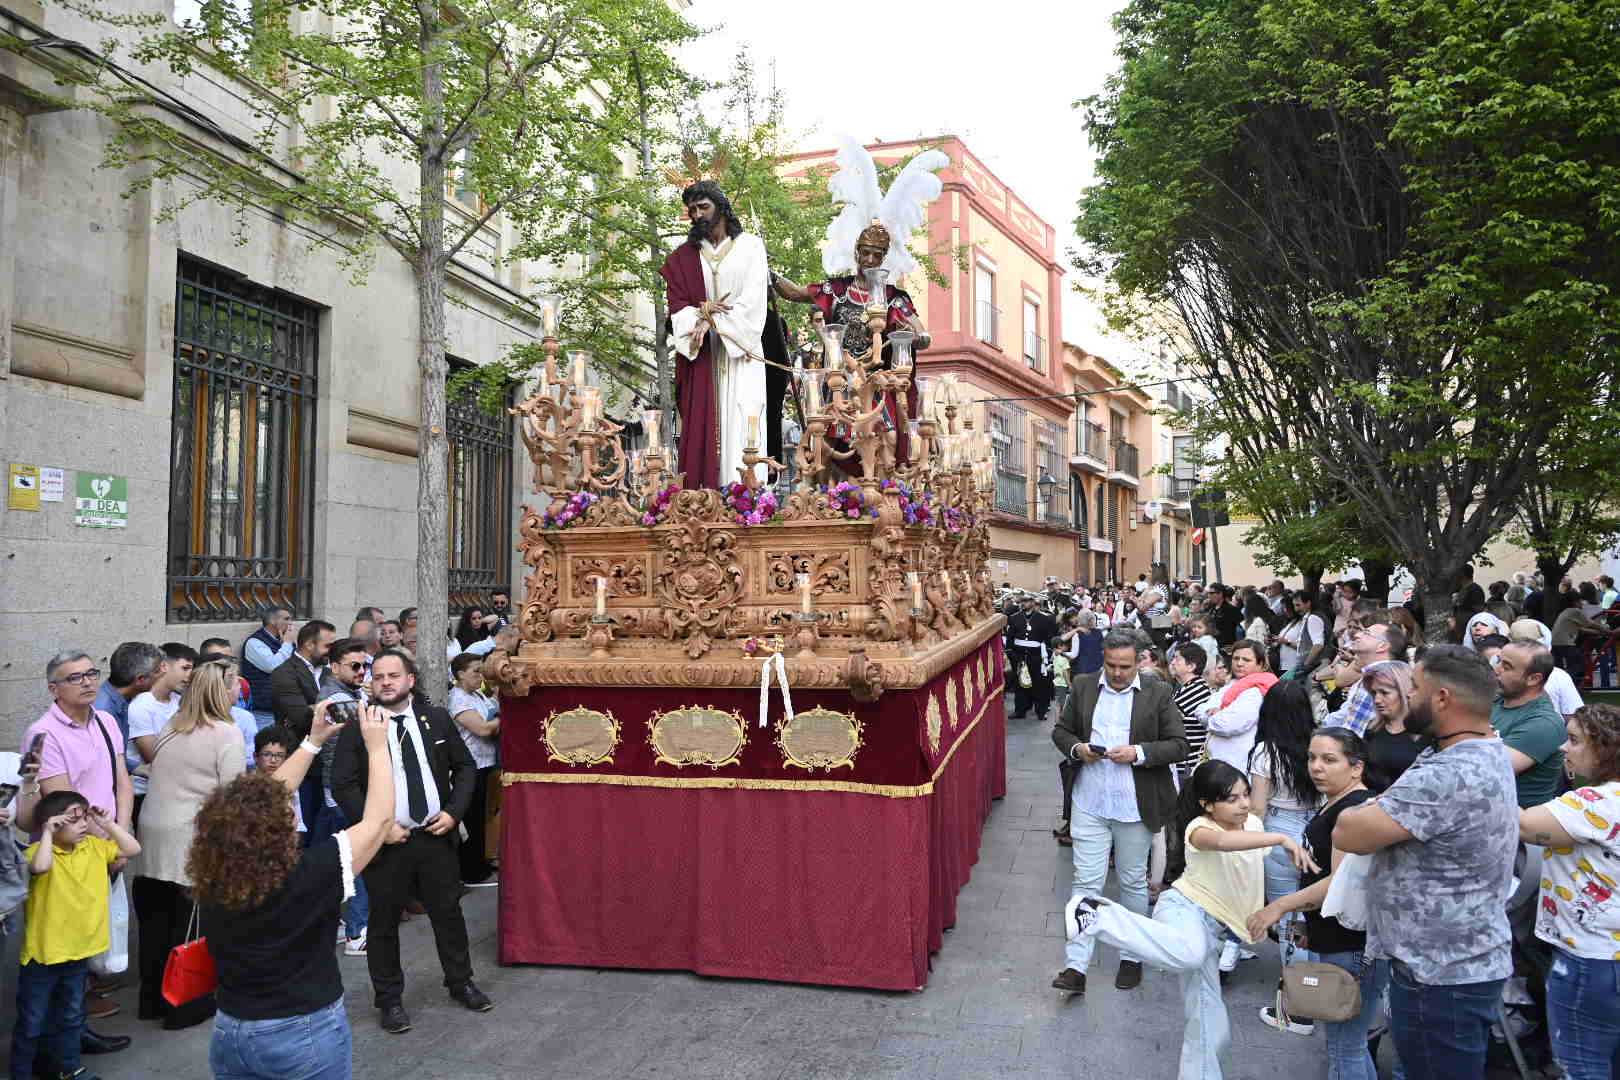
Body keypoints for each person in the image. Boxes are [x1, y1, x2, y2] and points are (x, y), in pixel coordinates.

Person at [1334, 645, 1518, 1080]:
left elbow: (1348, 832)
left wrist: (1365, 808)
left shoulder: (1448, 773)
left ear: (1442, 698)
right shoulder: (1470, 750)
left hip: (1440, 977)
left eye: (1414, 687)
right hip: (1449, 965)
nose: (1407, 695)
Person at [1064, 760, 1316, 1079]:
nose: (1243, 804)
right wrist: (1280, 839)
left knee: (1211, 1025)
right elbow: (1223, 844)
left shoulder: (1253, 824)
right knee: (1189, 953)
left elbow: (1248, 873)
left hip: (1212, 931)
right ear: (1207, 805)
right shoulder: (1199, 829)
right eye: (1232, 799)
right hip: (1184, 910)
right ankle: (1096, 914)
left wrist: (1267, 911)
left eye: (1245, 794)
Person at [192, 701, 396, 1080]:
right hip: (301, 1031)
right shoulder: (310, 874)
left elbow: (258, 802)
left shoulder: (215, 875)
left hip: (232, 1029)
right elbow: (379, 821)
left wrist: (313, 741)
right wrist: (377, 747)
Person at [330, 650, 491, 1034]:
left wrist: (453, 813)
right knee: (383, 924)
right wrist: (376, 826)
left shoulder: (436, 718)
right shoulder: (359, 726)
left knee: (448, 914)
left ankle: (461, 982)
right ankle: (389, 1001)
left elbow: (465, 767)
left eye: (393, 675)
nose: (385, 682)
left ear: (410, 680)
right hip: (387, 843)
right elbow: (343, 784)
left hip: (435, 836)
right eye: (378, 676)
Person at [1050, 630, 1189, 996]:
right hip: (1090, 801)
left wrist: (1138, 753)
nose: (1117, 673)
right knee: (1086, 883)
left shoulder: (1158, 692)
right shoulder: (1083, 686)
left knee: (1131, 881)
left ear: (1139, 662)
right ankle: (1076, 966)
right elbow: (1061, 732)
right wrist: (1078, 748)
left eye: (1125, 667)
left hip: (1134, 805)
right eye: (1111, 665)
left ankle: (1132, 955)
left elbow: (1179, 745)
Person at [16, 651, 136, 1049]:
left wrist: (121, 834)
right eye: (75, 677)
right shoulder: (41, 735)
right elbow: (63, 804)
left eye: (91, 674)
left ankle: (74, 1031)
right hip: (67, 856)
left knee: (86, 942)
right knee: (64, 948)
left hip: (104, 845)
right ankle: (55, 1042)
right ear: (54, 689)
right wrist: (105, 845)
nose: (87, 682)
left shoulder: (105, 721)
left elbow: (122, 780)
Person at [1247, 729, 1384, 1076]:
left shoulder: (1354, 809)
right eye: (1312, 758)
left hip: (1350, 944)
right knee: (1349, 1046)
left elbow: (1338, 883)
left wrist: (1279, 906)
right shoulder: (1337, 801)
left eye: (1329, 759)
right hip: (1333, 937)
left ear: (1356, 767)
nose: (1316, 767)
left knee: (1344, 1048)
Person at [129, 660, 246, 1026]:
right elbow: (232, 798)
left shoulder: (171, 726)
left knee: (155, 927)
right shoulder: (227, 732)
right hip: (190, 840)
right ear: (222, 691)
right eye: (235, 684)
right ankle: (184, 1007)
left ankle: (151, 1002)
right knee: (190, 929)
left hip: (152, 835)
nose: (239, 690)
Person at [1518, 704, 1620, 1080]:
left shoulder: (1593, 803)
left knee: (1582, 1066)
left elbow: (1522, 825)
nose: (1564, 748)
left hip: (1589, 959)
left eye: (1574, 740)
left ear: (1605, 750)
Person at [10, 792, 140, 1080]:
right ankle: (21, 1073)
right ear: (53, 823)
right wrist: (46, 833)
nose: (83, 824)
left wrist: (107, 824)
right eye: (73, 819)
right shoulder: (37, 853)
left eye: (84, 817)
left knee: (71, 1018)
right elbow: (40, 867)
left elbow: (132, 848)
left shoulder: (94, 847)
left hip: (79, 952)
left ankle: (69, 1070)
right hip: (43, 957)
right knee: (32, 1022)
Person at [658, 180, 779, 489]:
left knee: (743, 420)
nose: (697, 214)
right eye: (692, 210)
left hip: (742, 352)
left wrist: (713, 320)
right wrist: (700, 315)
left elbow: (753, 302)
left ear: (722, 208)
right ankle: (703, 495)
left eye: (704, 207)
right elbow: (677, 308)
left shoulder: (751, 246)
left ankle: (745, 495)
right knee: (703, 425)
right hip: (702, 353)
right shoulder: (683, 257)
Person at [1244, 679, 1319, 974]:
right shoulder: (1319, 743)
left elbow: (1257, 808)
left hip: (1279, 832)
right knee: (1316, 909)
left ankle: (1297, 985)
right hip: (1319, 828)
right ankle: (1318, 979)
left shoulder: (1267, 752)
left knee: (1287, 912)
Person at [272, 620, 336, 834]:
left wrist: (318, 708)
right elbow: (302, 717)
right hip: (302, 761)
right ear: (309, 644)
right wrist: (333, 708)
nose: (332, 651)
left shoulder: (330, 671)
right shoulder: (284, 673)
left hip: (329, 762)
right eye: (328, 646)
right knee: (304, 826)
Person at [1492, 642, 1568, 809]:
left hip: (1515, 820)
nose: (1497, 669)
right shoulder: (1496, 700)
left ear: (1533, 679)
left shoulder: (1544, 724)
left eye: (1506, 667)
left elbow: (1487, 772)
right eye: (1498, 661)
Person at [127, 642, 197, 821]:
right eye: (185, 668)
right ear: (164, 666)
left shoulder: (179, 701)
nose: (189, 675)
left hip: (177, 789)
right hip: (145, 794)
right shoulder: (141, 704)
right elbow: (153, 756)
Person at [448, 654, 500, 887]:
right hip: (471, 767)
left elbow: (493, 709)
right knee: (473, 821)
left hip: (486, 764)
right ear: (460, 674)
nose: (480, 676)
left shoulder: (477, 694)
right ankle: (471, 873)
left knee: (483, 819)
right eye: (475, 671)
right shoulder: (458, 699)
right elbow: (483, 729)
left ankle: (482, 864)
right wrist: (502, 718)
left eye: (481, 671)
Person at [1200, 641, 1276, 771]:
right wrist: (1215, 715)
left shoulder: (1257, 691)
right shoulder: (1233, 684)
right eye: (1236, 658)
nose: (1239, 663)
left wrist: (1212, 716)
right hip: (1220, 762)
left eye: (1246, 660)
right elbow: (1200, 710)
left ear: (1261, 665)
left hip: (1237, 764)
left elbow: (1227, 724)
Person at [1325, 620, 1406, 735]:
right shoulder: (1374, 675)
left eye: (1366, 633)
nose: (1357, 634)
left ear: (1382, 646)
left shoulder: (1377, 682)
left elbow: (1352, 736)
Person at [1360, 661, 1423, 790]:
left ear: (1404, 691)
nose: (1377, 700)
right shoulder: (1372, 729)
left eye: (1384, 693)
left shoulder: (1426, 733)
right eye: (1374, 693)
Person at [92, 643, 163, 748]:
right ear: (141, 679)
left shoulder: (122, 699)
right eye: (157, 671)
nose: (162, 673)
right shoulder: (103, 712)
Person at [240, 608, 294, 729]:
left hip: (286, 710)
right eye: (286, 619)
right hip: (265, 712)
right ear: (273, 621)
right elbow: (272, 666)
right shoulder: (254, 642)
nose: (291, 623)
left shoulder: (285, 641)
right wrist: (287, 644)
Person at [1007, 596, 1059, 721]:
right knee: (1020, 684)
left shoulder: (1043, 619)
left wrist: (1046, 655)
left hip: (1036, 656)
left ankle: (1041, 711)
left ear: (1032, 603)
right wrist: (1011, 654)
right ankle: (1020, 710)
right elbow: (1010, 638)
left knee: (1039, 685)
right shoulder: (1014, 618)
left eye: (1026, 601)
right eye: (1022, 601)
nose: (1023, 604)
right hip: (1019, 655)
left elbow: (1048, 638)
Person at [1277, 591, 1326, 679]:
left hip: (1309, 667)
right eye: (1294, 605)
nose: (1296, 609)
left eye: (1298, 605)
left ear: (1308, 603)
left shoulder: (1312, 618)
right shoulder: (1308, 617)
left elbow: (1318, 645)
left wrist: (1305, 665)